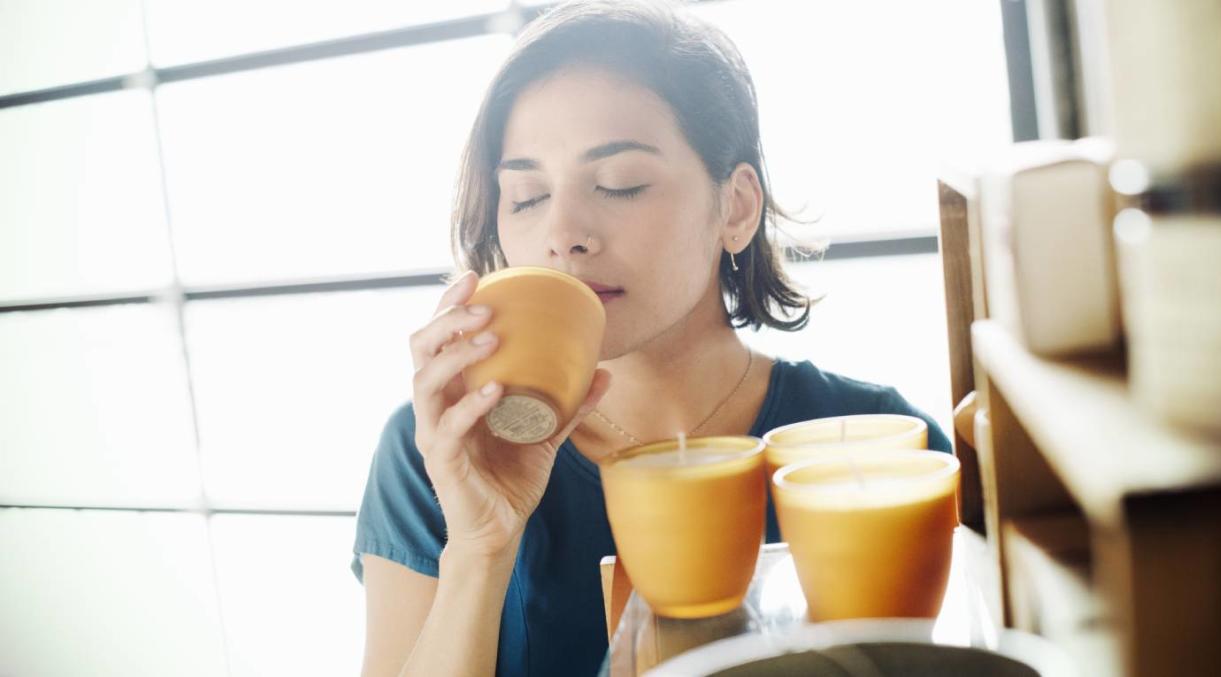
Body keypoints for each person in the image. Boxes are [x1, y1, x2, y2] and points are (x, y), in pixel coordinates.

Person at [351, 1, 952, 674]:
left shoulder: (883, 442)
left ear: (736, 207)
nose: (563, 231)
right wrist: (478, 546)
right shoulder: (438, 451)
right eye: (524, 196)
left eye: (619, 183)